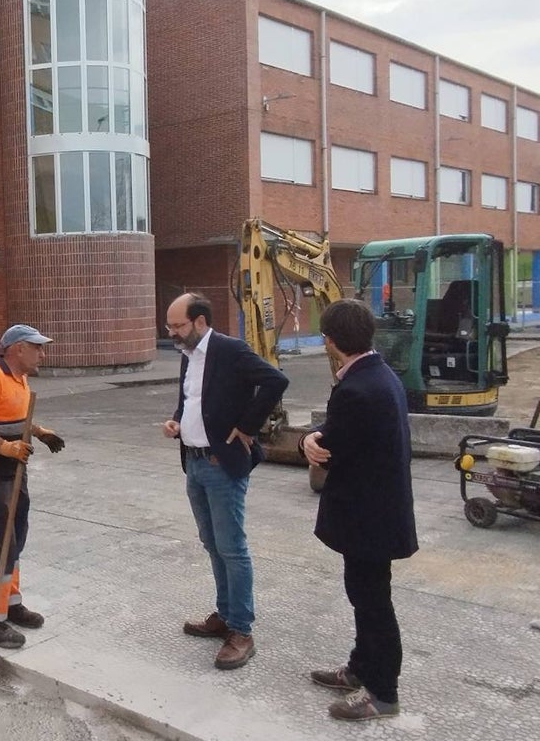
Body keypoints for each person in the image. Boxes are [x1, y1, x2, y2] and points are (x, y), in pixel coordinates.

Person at [301, 299, 417, 721]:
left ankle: (383, 693)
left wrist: (310, 444)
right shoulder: (380, 375)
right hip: (380, 512)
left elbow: (332, 450)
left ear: (330, 340)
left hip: (368, 518)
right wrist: (317, 438)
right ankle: (359, 669)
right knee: (365, 596)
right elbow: (350, 437)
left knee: (372, 604)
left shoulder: (355, 388)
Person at [161, 292, 287, 670]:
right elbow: (191, 401)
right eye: (169, 327)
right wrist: (177, 421)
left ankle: (242, 631)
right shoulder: (188, 357)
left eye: (178, 326)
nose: (172, 334)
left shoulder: (230, 350)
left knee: (232, 548)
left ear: (200, 322)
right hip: (194, 463)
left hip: (221, 466)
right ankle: (225, 615)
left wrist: (246, 427)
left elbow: (276, 381)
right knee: (212, 544)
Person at [0, 324, 65, 648]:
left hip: (16, 471)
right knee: (1, 543)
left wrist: (40, 432)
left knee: (15, 540)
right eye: (38, 348)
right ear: (18, 349)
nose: (42, 354)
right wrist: (3, 447)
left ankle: (11, 605)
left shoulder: (18, 378)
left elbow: (14, 420)